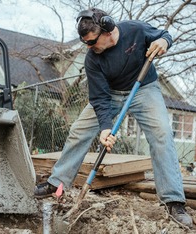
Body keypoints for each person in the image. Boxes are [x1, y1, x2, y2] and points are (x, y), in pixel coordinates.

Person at [34, 8, 193, 227]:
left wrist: (164, 42)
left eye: (91, 42)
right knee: (78, 131)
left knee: (162, 135)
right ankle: (57, 182)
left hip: (144, 89)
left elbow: (163, 35)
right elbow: (99, 98)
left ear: (108, 30)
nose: (89, 48)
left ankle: (173, 201)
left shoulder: (135, 30)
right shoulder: (92, 59)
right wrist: (105, 128)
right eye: (85, 43)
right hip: (110, 94)